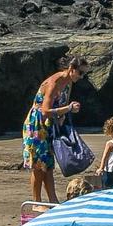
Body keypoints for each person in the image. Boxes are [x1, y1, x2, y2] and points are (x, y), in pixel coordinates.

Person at [21, 53, 86, 205]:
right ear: (71, 69)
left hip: (49, 126)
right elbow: (44, 111)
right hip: (37, 125)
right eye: (80, 72)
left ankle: (52, 200)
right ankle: (37, 203)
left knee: (48, 166)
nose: (81, 77)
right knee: (38, 166)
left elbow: (60, 105)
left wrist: (65, 112)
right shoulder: (54, 82)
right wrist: (68, 109)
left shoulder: (68, 83)